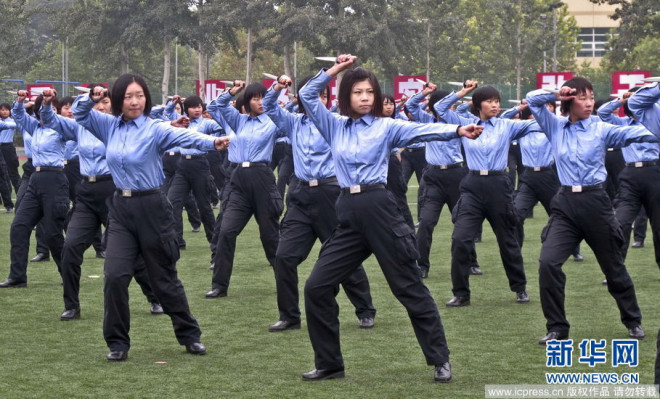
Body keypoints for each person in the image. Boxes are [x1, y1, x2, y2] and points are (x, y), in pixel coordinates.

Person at [298, 54, 483, 382]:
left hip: (380, 209)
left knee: (408, 287)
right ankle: (330, 364)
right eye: (357, 92)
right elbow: (308, 94)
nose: (365, 98)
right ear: (346, 97)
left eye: (369, 92)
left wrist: (457, 129)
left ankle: (439, 358)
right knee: (316, 286)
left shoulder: (386, 126)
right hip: (347, 213)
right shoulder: (333, 125)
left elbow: (421, 131)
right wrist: (338, 69)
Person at [72, 74, 229, 361]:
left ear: (147, 98)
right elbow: (80, 112)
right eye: (129, 96)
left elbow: (184, 136)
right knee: (115, 277)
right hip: (120, 208)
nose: (135, 101)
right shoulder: (108, 126)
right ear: (119, 99)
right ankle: (117, 343)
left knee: (163, 279)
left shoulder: (155, 128)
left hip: (153, 207)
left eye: (140, 95)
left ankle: (189, 335)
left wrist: (213, 141)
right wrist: (92, 97)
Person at [526, 77, 652, 344]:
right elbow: (533, 99)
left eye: (591, 97)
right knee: (548, 264)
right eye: (582, 97)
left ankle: (632, 320)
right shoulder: (554, 126)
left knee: (614, 267)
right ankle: (557, 328)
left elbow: (638, 133)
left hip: (596, 203)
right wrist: (557, 93)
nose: (589, 102)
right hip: (565, 206)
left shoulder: (602, 128)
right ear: (569, 101)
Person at [263, 74, 376, 332]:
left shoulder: (336, 123)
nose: (318, 99)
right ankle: (289, 315)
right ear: (300, 99)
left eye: (323, 95)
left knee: (342, 256)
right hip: (301, 196)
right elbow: (269, 107)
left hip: (330, 194)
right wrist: (278, 86)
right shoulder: (293, 123)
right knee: (284, 256)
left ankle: (365, 309)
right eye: (313, 95)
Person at [41, 84, 163, 321]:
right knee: (71, 248)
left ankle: (155, 298)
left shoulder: (119, 128)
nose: (101, 105)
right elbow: (51, 119)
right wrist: (46, 104)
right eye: (97, 102)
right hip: (86, 192)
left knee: (131, 253)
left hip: (114, 191)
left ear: (114, 104)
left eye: (106, 101)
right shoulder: (80, 126)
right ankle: (72, 305)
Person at [434, 80, 537, 307]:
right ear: (478, 104)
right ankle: (461, 294)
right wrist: (464, 92)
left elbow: (537, 125)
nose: (495, 105)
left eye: (497, 101)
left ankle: (519, 288)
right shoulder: (464, 122)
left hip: (499, 184)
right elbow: (440, 109)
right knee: (460, 239)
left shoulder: (507, 125)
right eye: (490, 101)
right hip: (472, 184)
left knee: (507, 240)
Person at [204, 81, 284, 298]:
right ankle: (219, 285)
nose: (259, 102)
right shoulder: (237, 121)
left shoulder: (272, 121)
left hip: (262, 178)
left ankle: (284, 282)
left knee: (270, 236)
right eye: (255, 98)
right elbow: (215, 106)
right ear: (247, 101)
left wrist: (277, 89)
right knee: (227, 232)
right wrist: (232, 91)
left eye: (262, 98)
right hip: (238, 178)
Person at [406, 83, 481, 279]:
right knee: (426, 223)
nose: (449, 107)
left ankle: (472, 262)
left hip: (456, 175)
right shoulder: (426, 119)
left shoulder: (457, 120)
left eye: (451, 104)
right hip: (433, 177)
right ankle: (422, 265)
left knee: (462, 221)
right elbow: (410, 106)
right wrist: (425, 92)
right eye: (443, 104)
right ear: (431, 106)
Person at [0, 91, 72, 288]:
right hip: (35, 178)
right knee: (19, 226)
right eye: (43, 107)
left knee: (53, 234)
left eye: (51, 107)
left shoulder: (61, 128)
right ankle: (17, 277)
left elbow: (52, 116)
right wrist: (20, 100)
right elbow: (19, 115)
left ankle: (68, 275)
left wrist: (49, 106)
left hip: (55, 179)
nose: (46, 110)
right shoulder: (35, 127)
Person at [597, 90, 660, 269]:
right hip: (629, 175)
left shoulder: (655, 120)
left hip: (654, 172)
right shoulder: (622, 123)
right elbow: (602, 112)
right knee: (621, 222)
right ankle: (615, 268)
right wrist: (621, 99)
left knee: (658, 225)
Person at [165, 95, 222, 248]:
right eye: (193, 106)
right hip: (182, 164)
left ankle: (215, 244)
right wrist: (175, 101)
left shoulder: (206, 123)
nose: (197, 109)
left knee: (204, 207)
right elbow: (167, 110)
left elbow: (221, 127)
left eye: (199, 106)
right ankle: (177, 241)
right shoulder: (180, 120)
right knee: (172, 202)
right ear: (186, 109)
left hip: (200, 165)